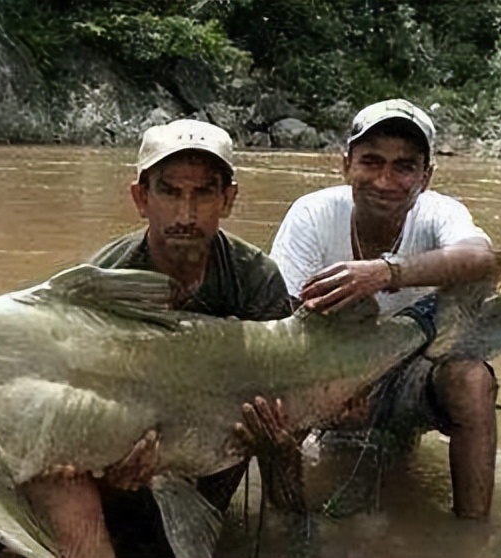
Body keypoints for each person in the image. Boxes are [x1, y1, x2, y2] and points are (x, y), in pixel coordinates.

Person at [269, 98, 500, 519]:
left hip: (414, 373)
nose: (384, 180)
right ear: (346, 166)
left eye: (404, 167)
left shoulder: (440, 214)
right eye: (371, 162)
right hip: (327, 369)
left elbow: (482, 259)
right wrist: (334, 387)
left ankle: (472, 532)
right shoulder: (312, 215)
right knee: (275, 399)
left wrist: (386, 273)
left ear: (426, 177)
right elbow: (282, 324)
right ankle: (291, 526)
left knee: (473, 380)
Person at [87, 119, 296, 557]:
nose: (186, 215)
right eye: (170, 192)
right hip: (132, 443)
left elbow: (284, 395)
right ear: (141, 198)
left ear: (228, 199)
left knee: (287, 477)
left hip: (224, 437)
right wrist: (110, 474)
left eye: (203, 193)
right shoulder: (103, 282)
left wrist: (280, 444)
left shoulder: (256, 281)